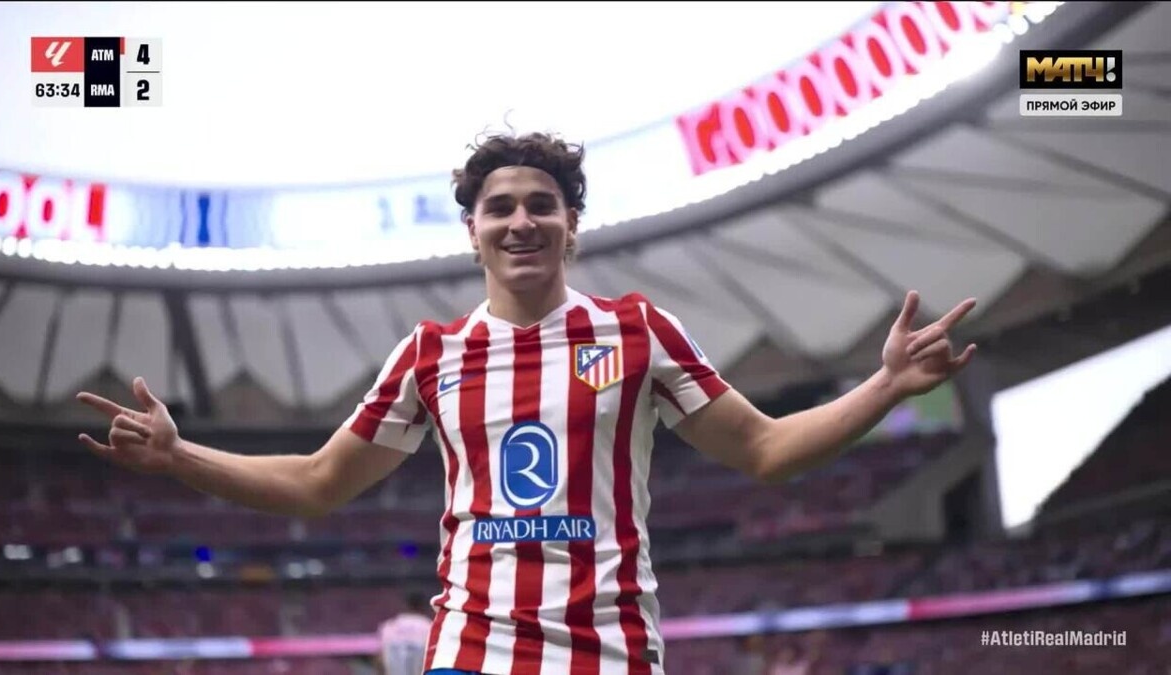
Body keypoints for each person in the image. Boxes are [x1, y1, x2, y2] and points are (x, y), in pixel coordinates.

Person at [76, 131, 977, 675]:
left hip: (608, 649)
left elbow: (767, 448)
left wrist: (886, 384)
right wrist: (179, 456)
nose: (521, 221)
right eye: (499, 206)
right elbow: (318, 482)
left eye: (542, 204)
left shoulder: (637, 331)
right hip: (471, 647)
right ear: (471, 230)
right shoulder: (431, 354)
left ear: (571, 226)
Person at [375, 592, 436, 675]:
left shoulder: (389, 626)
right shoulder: (430, 627)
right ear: (424, 606)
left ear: (405, 605)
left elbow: (379, 660)